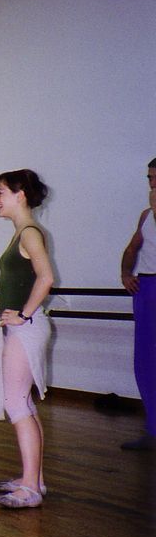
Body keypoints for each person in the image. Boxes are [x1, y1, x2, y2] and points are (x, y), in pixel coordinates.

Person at [0, 169, 53, 509]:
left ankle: (30, 488)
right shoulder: (21, 233)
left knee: (15, 403)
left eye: (1, 192)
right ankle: (33, 478)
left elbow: (46, 277)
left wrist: (23, 315)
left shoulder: (29, 233)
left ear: (20, 194)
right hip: (21, 326)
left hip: (27, 327)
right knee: (22, 401)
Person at [119, 157, 156, 451]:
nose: (152, 185)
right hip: (147, 288)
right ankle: (152, 428)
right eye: (149, 179)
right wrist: (125, 273)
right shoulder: (146, 216)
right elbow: (133, 248)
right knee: (144, 359)